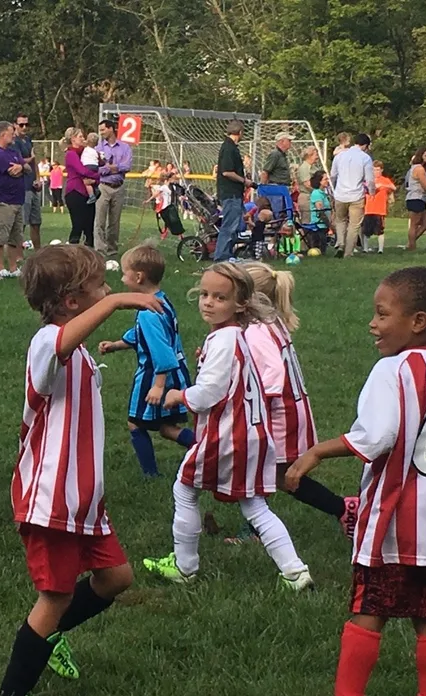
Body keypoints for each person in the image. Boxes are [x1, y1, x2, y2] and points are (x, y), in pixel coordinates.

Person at [0, 243, 159, 696]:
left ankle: (53, 637)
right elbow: (61, 344)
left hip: (83, 498)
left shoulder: (79, 351)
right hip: (51, 499)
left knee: (115, 578)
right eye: (99, 288)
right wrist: (117, 303)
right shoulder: (49, 342)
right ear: (72, 302)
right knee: (55, 597)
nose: (109, 292)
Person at [285, 266, 426, 696]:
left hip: (393, 519)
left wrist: (315, 451)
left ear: (418, 321)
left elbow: (377, 436)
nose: (372, 323)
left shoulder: (392, 369)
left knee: (370, 608)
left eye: (382, 313)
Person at [142, 263, 314, 591]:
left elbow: (209, 393)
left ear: (241, 304)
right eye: (205, 294)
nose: (208, 302)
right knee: (254, 504)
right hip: (251, 432)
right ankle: (295, 572)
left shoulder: (224, 339)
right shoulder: (235, 335)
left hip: (226, 435)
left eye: (220, 297)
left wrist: (180, 395)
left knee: (184, 489)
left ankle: (184, 565)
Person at [237, 262, 359, 536]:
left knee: (259, 471)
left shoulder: (256, 331)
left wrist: (257, 405)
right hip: (290, 408)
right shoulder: (269, 323)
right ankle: (343, 508)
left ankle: (256, 530)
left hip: (277, 413)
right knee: (278, 474)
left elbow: (272, 373)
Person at [98, 244, 195, 477]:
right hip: (176, 372)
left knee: (135, 423)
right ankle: (208, 448)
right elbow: (143, 335)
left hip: (156, 374)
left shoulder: (148, 313)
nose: (121, 278)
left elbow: (160, 350)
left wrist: (158, 385)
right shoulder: (160, 300)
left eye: (124, 273)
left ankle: (151, 475)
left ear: (138, 277)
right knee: (166, 427)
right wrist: (117, 345)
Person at [0, 121, 26, 279]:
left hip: (18, 200)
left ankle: (13, 267)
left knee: (14, 237)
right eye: (11, 132)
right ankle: (0, 268)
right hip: (4, 200)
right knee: (0, 236)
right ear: (3, 134)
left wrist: (22, 167)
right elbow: (12, 172)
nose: (14, 135)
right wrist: (19, 169)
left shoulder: (14, 151)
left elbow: (25, 167)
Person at [329, 133, 375, 258]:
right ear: (365, 145)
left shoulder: (340, 156)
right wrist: (372, 192)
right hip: (356, 195)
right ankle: (348, 252)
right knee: (354, 225)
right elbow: (370, 180)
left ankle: (340, 243)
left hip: (340, 194)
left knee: (340, 221)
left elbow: (332, 175)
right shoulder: (365, 158)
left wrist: (332, 190)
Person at [214, 120, 254, 262]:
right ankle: (221, 256)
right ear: (240, 133)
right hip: (230, 193)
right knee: (229, 226)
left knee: (234, 225)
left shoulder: (232, 147)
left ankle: (228, 254)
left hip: (235, 193)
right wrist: (244, 181)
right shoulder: (228, 148)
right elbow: (226, 172)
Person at [94, 118, 132, 260]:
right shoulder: (98, 148)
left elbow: (126, 166)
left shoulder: (125, 147)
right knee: (99, 221)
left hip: (119, 187)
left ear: (111, 129)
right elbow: (98, 168)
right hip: (103, 187)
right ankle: (100, 251)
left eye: (103, 129)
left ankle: (112, 251)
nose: (101, 132)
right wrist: (112, 169)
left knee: (114, 222)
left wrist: (113, 168)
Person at [60, 127, 98, 245]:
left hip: (87, 193)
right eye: (80, 137)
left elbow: (99, 162)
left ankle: (89, 253)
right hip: (75, 192)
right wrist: (98, 176)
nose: (83, 139)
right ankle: (73, 251)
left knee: (89, 225)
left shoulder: (86, 152)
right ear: (73, 139)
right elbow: (82, 171)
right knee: (78, 224)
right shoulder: (71, 154)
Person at [13, 113, 42, 251]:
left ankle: (39, 254)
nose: (24, 127)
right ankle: (18, 254)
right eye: (21, 125)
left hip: (32, 186)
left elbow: (34, 161)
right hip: (22, 186)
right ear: (15, 125)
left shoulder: (28, 140)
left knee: (36, 222)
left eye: (26, 124)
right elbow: (17, 161)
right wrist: (30, 158)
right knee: (21, 223)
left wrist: (38, 178)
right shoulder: (14, 142)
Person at [362, 161, 396, 254]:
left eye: (378, 170)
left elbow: (393, 187)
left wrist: (382, 185)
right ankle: (365, 248)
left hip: (380, 209)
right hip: (368, 209)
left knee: (380, 229)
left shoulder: (385, 180)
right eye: (374, 170)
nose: (376, 172)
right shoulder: (368, 180)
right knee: (366, 230)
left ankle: (380, 249)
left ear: (381, 170)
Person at [405, 148, 426, 251]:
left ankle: (410, 243)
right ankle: (412, 247)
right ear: (420, 156)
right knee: (414, 224)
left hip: (419, 198)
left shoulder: (414, 168)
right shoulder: (419, 169)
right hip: (415, 198)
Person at [295, 146, 320, 212]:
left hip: (314, 196)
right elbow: (307, 184)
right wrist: (319, 192)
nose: (317, 157)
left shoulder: (313, 167)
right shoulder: (304, 168)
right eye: (316, 155)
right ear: (309, 155)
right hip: (307, 197)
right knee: (307, 219)